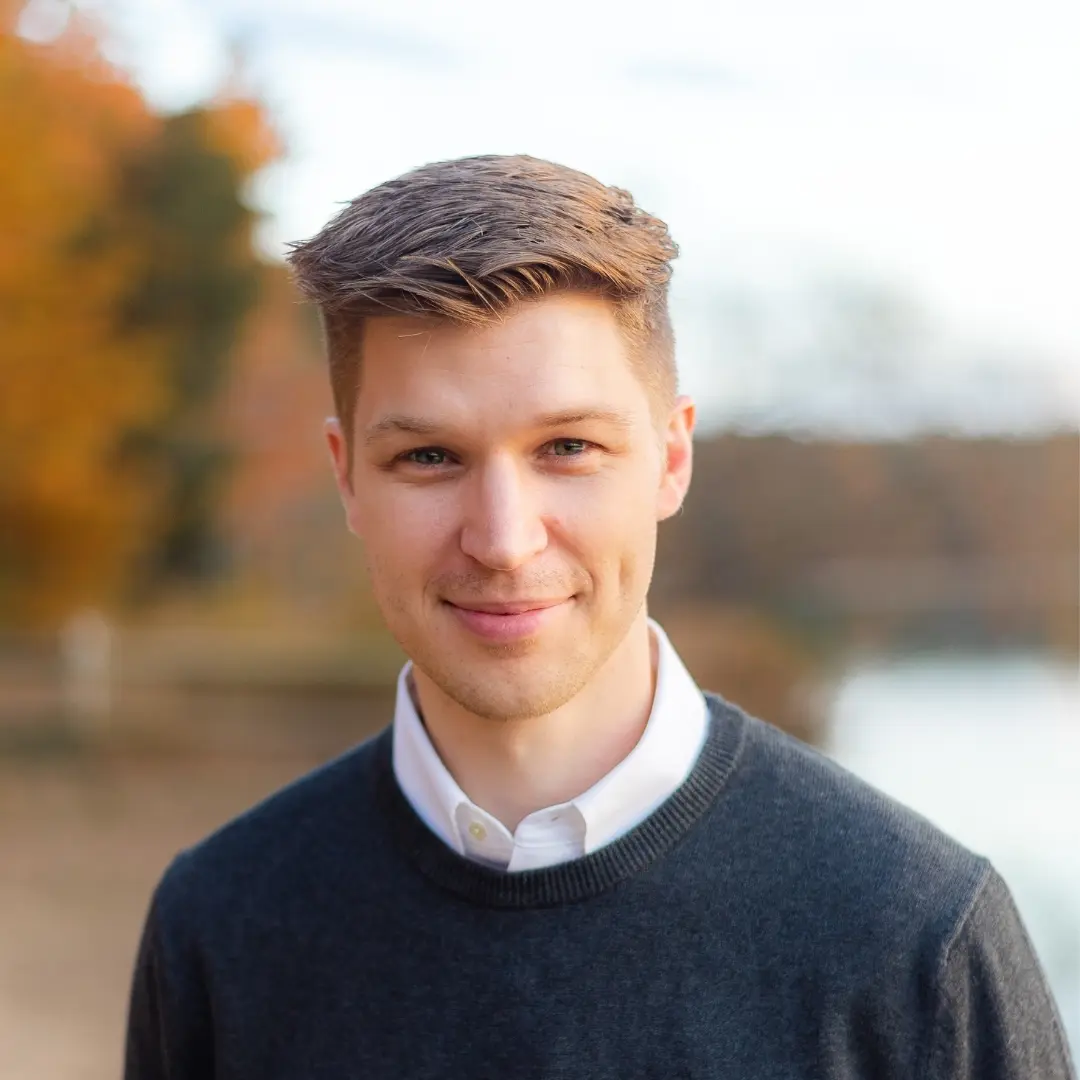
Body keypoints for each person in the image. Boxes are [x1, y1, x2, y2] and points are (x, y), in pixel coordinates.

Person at [124, 154, 1075, 1080]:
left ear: (670, 459)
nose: (502, 540)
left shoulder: (918, 938)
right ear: (346, 477)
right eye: (428, 457)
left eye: (567, 446)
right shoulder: (221, 923)